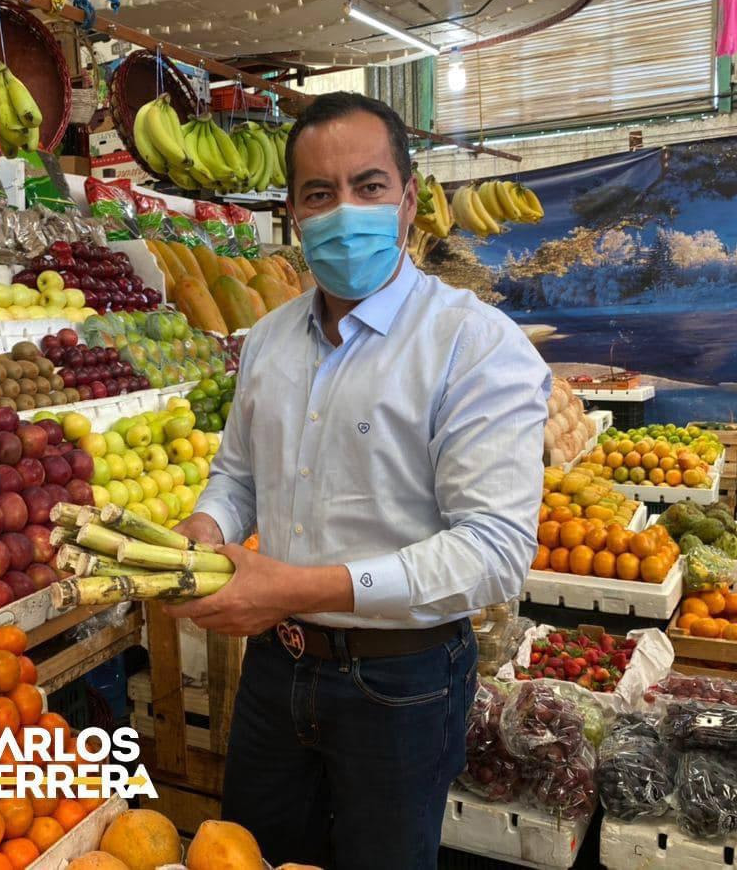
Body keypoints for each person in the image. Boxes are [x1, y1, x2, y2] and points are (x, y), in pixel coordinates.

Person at [168, 91, 551, 869]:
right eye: (319, 193)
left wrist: (301, 587)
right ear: (293, 214)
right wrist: (206, 524)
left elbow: (494, 553)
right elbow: (237, 473)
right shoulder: (269, 340)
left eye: (369, 187)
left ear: (410, 200)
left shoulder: (475, 346)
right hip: (277, 668)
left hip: (402, 680)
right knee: (252, 856)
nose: (345, 210)